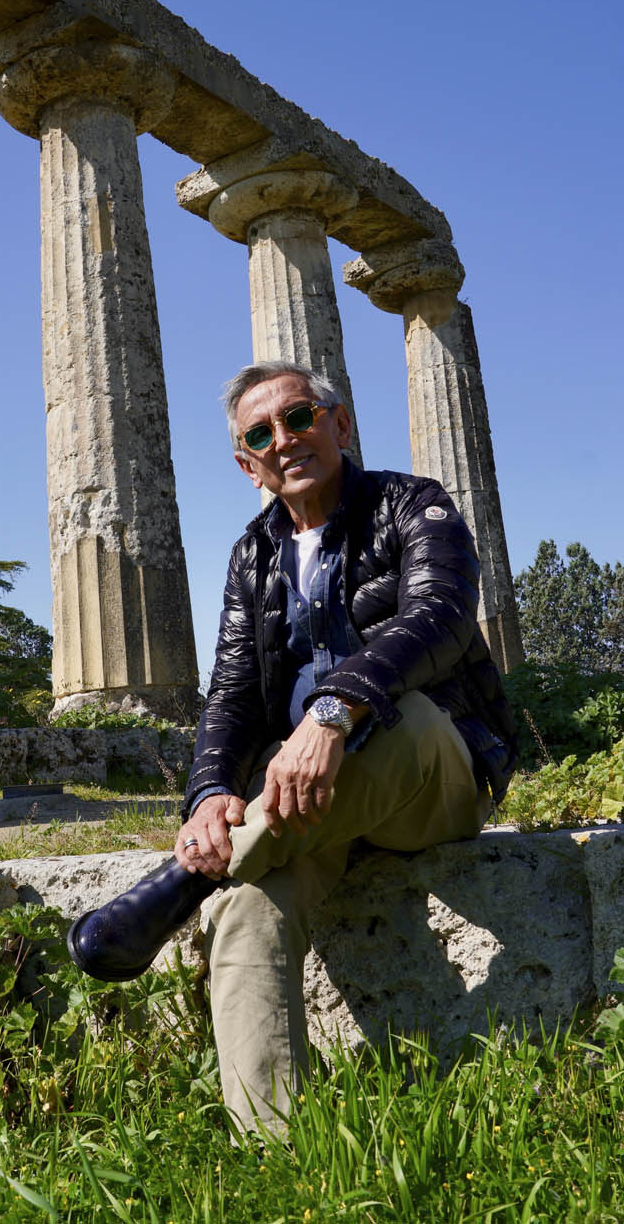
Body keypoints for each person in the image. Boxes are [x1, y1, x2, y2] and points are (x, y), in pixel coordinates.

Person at [68, 359, 518, 1134]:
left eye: (301, 417)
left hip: (427, 772)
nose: (285, 439)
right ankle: (279, 1159)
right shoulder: (255, 555)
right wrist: (209, 793)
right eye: (260, 434)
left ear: (340, 425)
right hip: (306, 804)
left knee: (402, 718)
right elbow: (234, 692)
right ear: (248, 466)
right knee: (246, 912)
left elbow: (442, 616)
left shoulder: (412, 505)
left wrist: (337, 710)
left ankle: (184, 882)